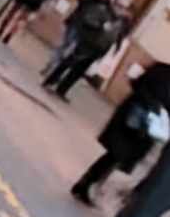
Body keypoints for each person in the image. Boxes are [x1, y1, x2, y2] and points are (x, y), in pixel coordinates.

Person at [71, 61, 170, 205]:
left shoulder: (159, 69)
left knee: (116, 158)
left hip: (142, 126)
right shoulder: (161, 71)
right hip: (134, 121)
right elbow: (139, 86)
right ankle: (86, 185)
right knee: (115, 156)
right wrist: (155, 107)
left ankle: (88, 184)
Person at [43, 0, 127, 98]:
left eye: (123, 8)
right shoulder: (102, 10)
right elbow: (88, 20)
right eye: (119, 6)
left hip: (97, 50)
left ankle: (62, 90)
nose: (121, 10)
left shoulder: (119, 22)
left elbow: (116, 36)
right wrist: (100, 26)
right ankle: (50, 80)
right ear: (114, 4)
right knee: (68, 62)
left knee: (78, 72)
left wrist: (108, 50)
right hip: (87, 43)